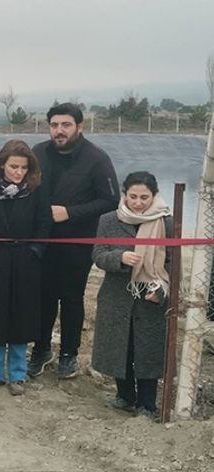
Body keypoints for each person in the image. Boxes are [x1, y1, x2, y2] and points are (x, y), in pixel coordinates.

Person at [29, 103, 119, 379]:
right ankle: (41, 350)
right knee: (42, 296)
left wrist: (70, 212)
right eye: (54, 125)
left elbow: (110, 201)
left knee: (70, 298)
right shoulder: (38, 153)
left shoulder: (96, 159)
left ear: (79, 127)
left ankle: (69, 354)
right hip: (42, 240)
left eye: (66, 125)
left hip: (77, 242)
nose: (59, 130)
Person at [0, 140, 52, 396]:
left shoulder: (36, 190)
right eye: (14, 166)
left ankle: (18, 374)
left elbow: (44, 223)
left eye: (23, 168)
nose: (18, 172)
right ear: (2, 164)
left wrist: (35, 252)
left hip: (25, 262)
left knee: (21, 317)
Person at [91, 171, 171, 420]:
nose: (138, 203)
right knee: (119, 347)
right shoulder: (108, 220)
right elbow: (98, 255)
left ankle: (147, 404)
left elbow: (172, 263)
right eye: (133, 196)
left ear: (154, 196)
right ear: (124, 194)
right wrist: (120, 258)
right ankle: (124, 396)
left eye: (144, 197)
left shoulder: (166, 223)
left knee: (148, 351)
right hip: (116, 296)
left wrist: (161, 290)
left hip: (150, 298)